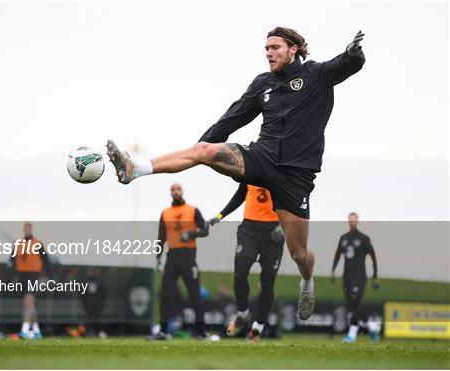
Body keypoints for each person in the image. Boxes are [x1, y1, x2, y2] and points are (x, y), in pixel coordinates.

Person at [106, 27, 366, 320]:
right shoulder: (262, 84)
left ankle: (307, 282)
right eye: (266, 48)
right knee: (205, 149)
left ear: (294, 49)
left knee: (299, 254)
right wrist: (199, 149)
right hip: (260, 158)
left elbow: (347, 64)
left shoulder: (316, 74)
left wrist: (354, 54)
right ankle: (134, 169)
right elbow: (231, 118)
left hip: (296, 176)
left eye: (275, 47)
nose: (269, 52)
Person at [209, 183, 284, 341]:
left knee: (267, 282)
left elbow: (295, 202)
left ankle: (258, 326)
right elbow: (239, 195)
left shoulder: (283, 170)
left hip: (273, 231)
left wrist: (284, 226)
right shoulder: (251, 169)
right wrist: (220, 215)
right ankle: (243, 313)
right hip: (249, 229)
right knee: (240, 274)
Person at [149, 183, 209, 340]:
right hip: (172, 258)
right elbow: (161, 237)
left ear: (182, 191)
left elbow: (204, 230)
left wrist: (190, 234)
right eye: (173, 190)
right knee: (165, 295)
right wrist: (157, 257)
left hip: (188, 257)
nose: (175, 192)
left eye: (178, 189)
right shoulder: (165, 213)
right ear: (170, 193)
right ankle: (163, 331)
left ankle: (201, 332)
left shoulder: (193, 210)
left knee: (195, 296)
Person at [331, 212, 380, 342]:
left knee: (356, 301)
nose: (352, 222)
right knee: (352, 304)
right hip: (346, 275)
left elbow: (373, 258)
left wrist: (375, 276)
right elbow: (337, 255)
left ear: (357, 221)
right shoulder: (344, 238)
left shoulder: (364, 238)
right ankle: (372, 326)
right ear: (348, 221)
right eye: (350, 220)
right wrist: (333, 271)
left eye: (354, 220)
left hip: (359, 275)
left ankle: (352, 334)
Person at [9, 222, 52, 339]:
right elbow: (12, 259)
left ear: (31, 229)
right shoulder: (18, 243)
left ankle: (24, 330)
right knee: (29, 305)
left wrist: (50, 277)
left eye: (29, 228)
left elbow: (46, 260)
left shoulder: (38, 244)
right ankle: (37, 331)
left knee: (29, 300)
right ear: (23, 229)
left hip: (33, 275)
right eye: (25, 228)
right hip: (21, 275)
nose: (27, 230)